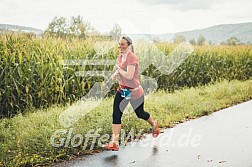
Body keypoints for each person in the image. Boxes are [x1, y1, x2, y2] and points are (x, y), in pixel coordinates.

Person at [103, 35, 160, 151]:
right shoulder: (120, 57)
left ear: (129, 45)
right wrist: (115, 74)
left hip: (134, 92)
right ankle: (115, 143)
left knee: (140, 113)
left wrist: (119, 70)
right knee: (116, 114)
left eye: (122, 44)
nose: (120, 46)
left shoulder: (132, 58)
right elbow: (119, 68)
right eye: (119, 44)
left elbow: (129, 76)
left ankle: (154, 125)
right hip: (123, 91)